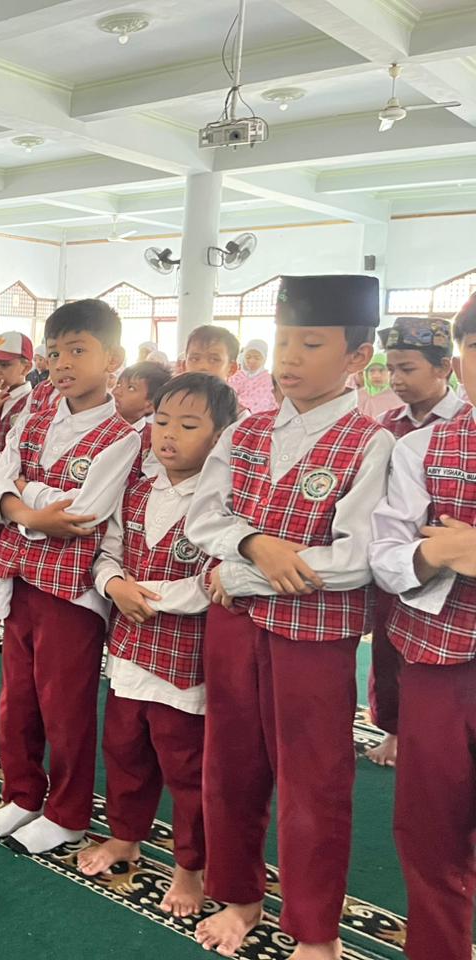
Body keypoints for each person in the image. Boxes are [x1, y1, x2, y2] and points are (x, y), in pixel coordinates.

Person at [187, 274, 392, 960]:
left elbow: (355, 558)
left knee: (314, 781)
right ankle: (240, 895)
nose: (289, 358)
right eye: (281, 342)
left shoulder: (371, 443)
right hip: (233, 630)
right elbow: (204, 518)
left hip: (316, 641)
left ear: (357, 357)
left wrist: (242, 568)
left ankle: (316, 931)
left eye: (310, 343)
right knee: (230, 765)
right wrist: (252, 544)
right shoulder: (245, 432)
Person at [0, 300, 139, 855]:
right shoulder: (34, 417)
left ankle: (67, 811)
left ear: (112, 358)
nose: (63, 363)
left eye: (78, 350)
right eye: (54, 352)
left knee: (64, 705)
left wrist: (25, 494)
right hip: (20, 576)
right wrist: (27, 510)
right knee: (17, 696)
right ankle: (22, 794)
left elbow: (85, 513)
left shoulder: (123, 435)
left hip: (71, 593)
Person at [79, 372, 239, 918]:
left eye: (189, 425)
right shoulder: (139, 487)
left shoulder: (222, 502)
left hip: (184, 661)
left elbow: (215, 578)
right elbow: (109, 550)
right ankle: (125, 837)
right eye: (162, 421)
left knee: (186, 767)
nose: (168, 435)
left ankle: (190, 866)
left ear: (220, 437)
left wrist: (150, 597)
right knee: (124, 751)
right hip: (128, 649)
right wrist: (113, 585)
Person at [369, 292, 476, 960]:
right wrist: (436, 550)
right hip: (440, 663)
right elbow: (387, 555)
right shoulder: (425, 445)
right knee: (430, 827)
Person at [363, 316, 469, 769]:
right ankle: (393, 727)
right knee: (389, 649)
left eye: (409, 369)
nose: (397, 379)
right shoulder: (385, 426)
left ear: (446, 367)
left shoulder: (463, 421)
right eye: (393, 369)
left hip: (450, 602)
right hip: (402, 559)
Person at [113, 360, 172, 427]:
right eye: (118, 384)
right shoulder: (100, 423)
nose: (116, 392)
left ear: (150, 405)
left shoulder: (152, 436)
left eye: (131, 388)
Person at [228, 338, 277, 414]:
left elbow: (269, 402)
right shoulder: (236, 376)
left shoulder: (269, 380)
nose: (251, 361)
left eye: (257, 358)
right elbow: (228, 396)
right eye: (248, 357)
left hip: (261, 418)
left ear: (264, 359)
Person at [357, 352, 402, 418]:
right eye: (371, 371)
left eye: (381, 370)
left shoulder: (399, 398)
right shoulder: (356, 397)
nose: (376, 375)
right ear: (366, 374)